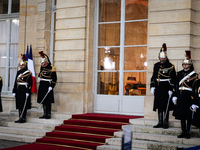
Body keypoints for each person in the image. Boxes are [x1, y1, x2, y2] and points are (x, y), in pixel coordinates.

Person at [172, 50, 198, 139]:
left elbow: (195, 88)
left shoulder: (194, 75)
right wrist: (174, 95)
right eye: (184, 64)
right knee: (182, 114)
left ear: (189, 65)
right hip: (180, 96)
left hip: (189, 97)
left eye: (186, 64)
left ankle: (188, 132)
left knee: (188, 115)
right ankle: (183, 131)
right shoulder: (179, 73)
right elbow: (176, 85)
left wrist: (195, 101)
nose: (185, 66)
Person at [150, 43, 176, 129]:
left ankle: (166, 122)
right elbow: (153, 76)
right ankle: (160, 121)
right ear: (159, 57)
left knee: (166, 106)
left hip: (166, 87)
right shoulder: (156, 65)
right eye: (161, 58)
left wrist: (171, 89)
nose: (162, 59)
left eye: (163, 58)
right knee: (159, 105)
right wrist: (152, 86)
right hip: (158, 87)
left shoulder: (170, 66)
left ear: (166, 57)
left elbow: (173, 78)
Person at [12, 54, 32, 123]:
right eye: (20, 65)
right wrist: (14, 91)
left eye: (22, 65)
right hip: (18, 89)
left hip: (24, 90)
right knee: (19, 104)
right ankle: (20, 117)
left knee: (24, 104)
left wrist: (28, 91)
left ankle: (23, 118)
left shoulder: (28, 73)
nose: (21, 66)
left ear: (25, 65)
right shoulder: (18, 72)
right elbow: (15, 82)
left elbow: (30, 83)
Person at [37, 51, 57, 119]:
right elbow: (40, 74)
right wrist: (39, 78)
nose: (42, 64)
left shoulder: (51, 68)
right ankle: (44, 113)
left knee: (48, 101)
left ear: (46, 63)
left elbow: (54, 78)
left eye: (42, 63)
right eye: (41, 63)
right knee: (43, 100)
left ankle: (48, 114)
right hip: (42, 85)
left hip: (48, 85)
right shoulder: (42, 68)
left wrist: (51, 86)